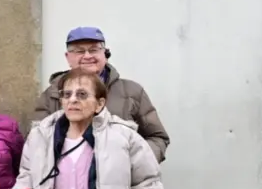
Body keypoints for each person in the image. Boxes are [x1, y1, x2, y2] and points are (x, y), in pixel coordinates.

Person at [11, 69, 167, 189]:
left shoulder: (126, 138)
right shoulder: (40, 137)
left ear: (99, 104)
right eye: (67, 95)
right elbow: (26, 177)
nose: (73, 100)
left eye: (82, 94)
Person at [33, 26, 170, 162]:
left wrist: (134, 162)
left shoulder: (132, 92)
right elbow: (36, 141)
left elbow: (157, 138)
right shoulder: (52, 95)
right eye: (79, 51)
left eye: (94, 49)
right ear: (68, 57)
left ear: (105, 54)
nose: (87, 56)